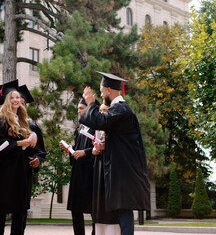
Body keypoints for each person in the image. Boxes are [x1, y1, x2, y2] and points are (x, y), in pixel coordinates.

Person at [79, 71, 150, 235]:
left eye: (102, 91)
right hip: (122, 169)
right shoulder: (120, 109)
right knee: (122, 210)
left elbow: (100, 121)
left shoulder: (122, 109)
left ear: (109, 90)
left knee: (124, 211)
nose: (101, 94)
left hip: (124, 171)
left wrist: (91, 103)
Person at [0, 80, 37, 235]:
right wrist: (20, 143)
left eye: (18, 98)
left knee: (19, 209)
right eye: (12, 98)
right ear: (6, 100)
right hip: (4, 172)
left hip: (19, 172)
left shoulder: (21, 121)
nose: (16, 100)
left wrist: (32, 138)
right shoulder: (0, 120)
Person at [60, 96, 97, 235]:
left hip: (90, 175)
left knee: (94, 210)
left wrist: (85, 153)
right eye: (78, 109)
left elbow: (100, 149)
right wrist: (70, 149)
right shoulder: (79, 128)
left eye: (81, 109)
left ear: (89, 109)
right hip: (78, 174)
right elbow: (77, 149)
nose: (79, 112)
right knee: (76, 210)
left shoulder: (96, 128)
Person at [18, 85, 47, 229]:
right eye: (17, 103)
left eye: (23, 103)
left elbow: (41, 151)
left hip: (23, 174)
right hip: (5, 174)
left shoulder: (32, 128)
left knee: (21, 210)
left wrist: (37, 159)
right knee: (0, 211)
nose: (20, 106)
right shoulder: (3, 125)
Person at [91, 103, 120, 235]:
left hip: (112, 172)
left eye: (105, 110)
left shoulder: (116, 129)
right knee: (99, 208)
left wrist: (105, 147)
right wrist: (95, 150)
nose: (102, 113)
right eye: (100, 110)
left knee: (110, 211)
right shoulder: (98, 130)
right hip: (99, 171)